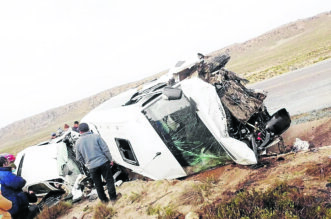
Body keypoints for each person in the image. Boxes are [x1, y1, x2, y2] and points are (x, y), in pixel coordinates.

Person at [75, 123, 120, 204]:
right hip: (103, 162)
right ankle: (113, 199)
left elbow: (78, 158)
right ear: (88, 129)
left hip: (91, 167)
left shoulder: (77, 142)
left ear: (80, 131)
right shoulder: (96, 136)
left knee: (98, 184)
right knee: (109, 180)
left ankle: (104, 201)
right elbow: (105, 149)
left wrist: (86, 163)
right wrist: (110, 159)